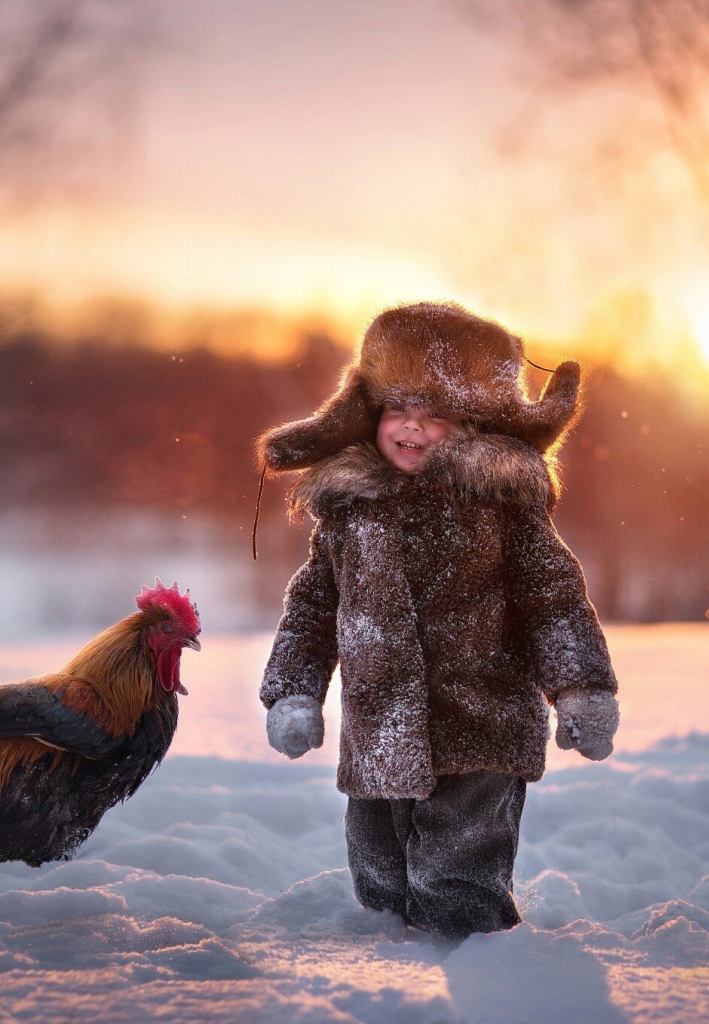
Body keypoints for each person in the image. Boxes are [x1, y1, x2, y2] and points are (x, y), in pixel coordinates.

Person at [257, 302, 619, 945]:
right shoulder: (349, 512)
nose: (413, 427)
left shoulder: (502, 507)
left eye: (438, 415)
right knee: (379, 881)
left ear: (476, 424)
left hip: (481, 725)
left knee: (457, 881)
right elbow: (311, 610)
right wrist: (293, 692)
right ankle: (389, 970)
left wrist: (581, 688)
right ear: (368, 413)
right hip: (379, 731)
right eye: (398, 408)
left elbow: (554, 600)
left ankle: (474, 965)